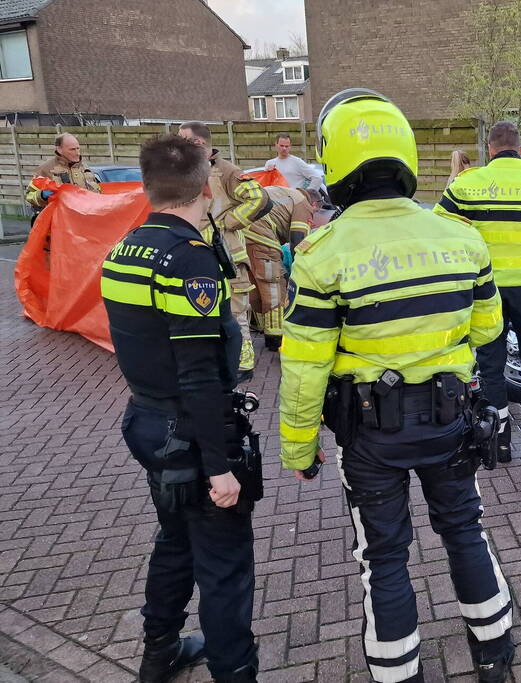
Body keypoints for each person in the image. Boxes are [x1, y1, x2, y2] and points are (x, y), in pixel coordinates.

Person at [278, 88, 515, 683]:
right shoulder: (461, 238)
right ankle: (494, 651)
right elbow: (489, 328)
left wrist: (299, 448)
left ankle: (397, 671)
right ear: (404, 155)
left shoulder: (321, 253)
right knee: (464, 529)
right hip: (449, 419)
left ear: (335, 161)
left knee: (382, 556)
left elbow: (304, 367)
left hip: (369, 434)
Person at [100, 134, 258, 682]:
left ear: (147, 187)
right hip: (189, 433)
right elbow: (197, 373)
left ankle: (160, 652)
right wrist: (219, 467)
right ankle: (235, 672)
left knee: (175, 541)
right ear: (205, 187)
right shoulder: (188, 261)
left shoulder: (124, 248)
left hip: (147, 421)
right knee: (225, 565)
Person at [435, 121, 521, 464]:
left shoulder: (466, 186)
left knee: (490, 367)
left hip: (484, 292)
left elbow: (439, 236)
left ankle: (498, 444)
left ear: (490, 149)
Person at [179, 122, 270, 382]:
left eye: (182, 140)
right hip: (198, 253)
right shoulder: (190, 171)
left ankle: (243, 364)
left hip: (226, 254)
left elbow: (260, 198)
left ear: (198, 143)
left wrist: (227, 223)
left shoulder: (226, 171)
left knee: (236, 310)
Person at [244, 185, 319, 352]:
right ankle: (275, 336)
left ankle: (260, 325)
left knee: (254, 284)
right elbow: (298, 239)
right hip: (262, 237)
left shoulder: (283, 192)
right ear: (314, 204)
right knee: (274, 284)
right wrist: (299, 270)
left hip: (241, 236)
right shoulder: (303, 203)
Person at [24, 134, 101, 208]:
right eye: (72, 149)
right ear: (59, 149)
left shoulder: (85, 168)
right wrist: (42, 196)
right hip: (61, 216)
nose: (77, 153)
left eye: (78, 148)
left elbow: (98, 191)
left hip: (88, 214)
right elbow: (29, 196)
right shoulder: (45, 169)